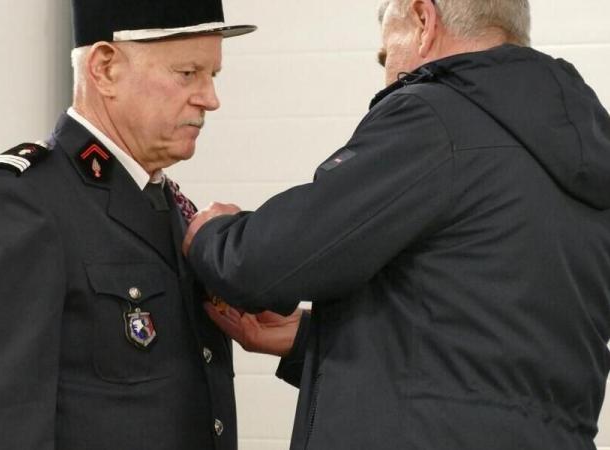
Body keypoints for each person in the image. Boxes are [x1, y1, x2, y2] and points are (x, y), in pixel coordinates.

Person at [183, 0, 610, 449]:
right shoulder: (579, 156)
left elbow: (265, 264)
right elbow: (490, 354)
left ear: (424, 20)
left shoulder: (438, 117)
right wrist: (313, 339)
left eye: (387, 57)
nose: (387, 76)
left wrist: (212, 233)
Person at [0, 1, 255, 449]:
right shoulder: (25, 206)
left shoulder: (169, 205)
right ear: (105, 69)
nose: (210, 98)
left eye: (213, 76)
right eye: (188, 73)